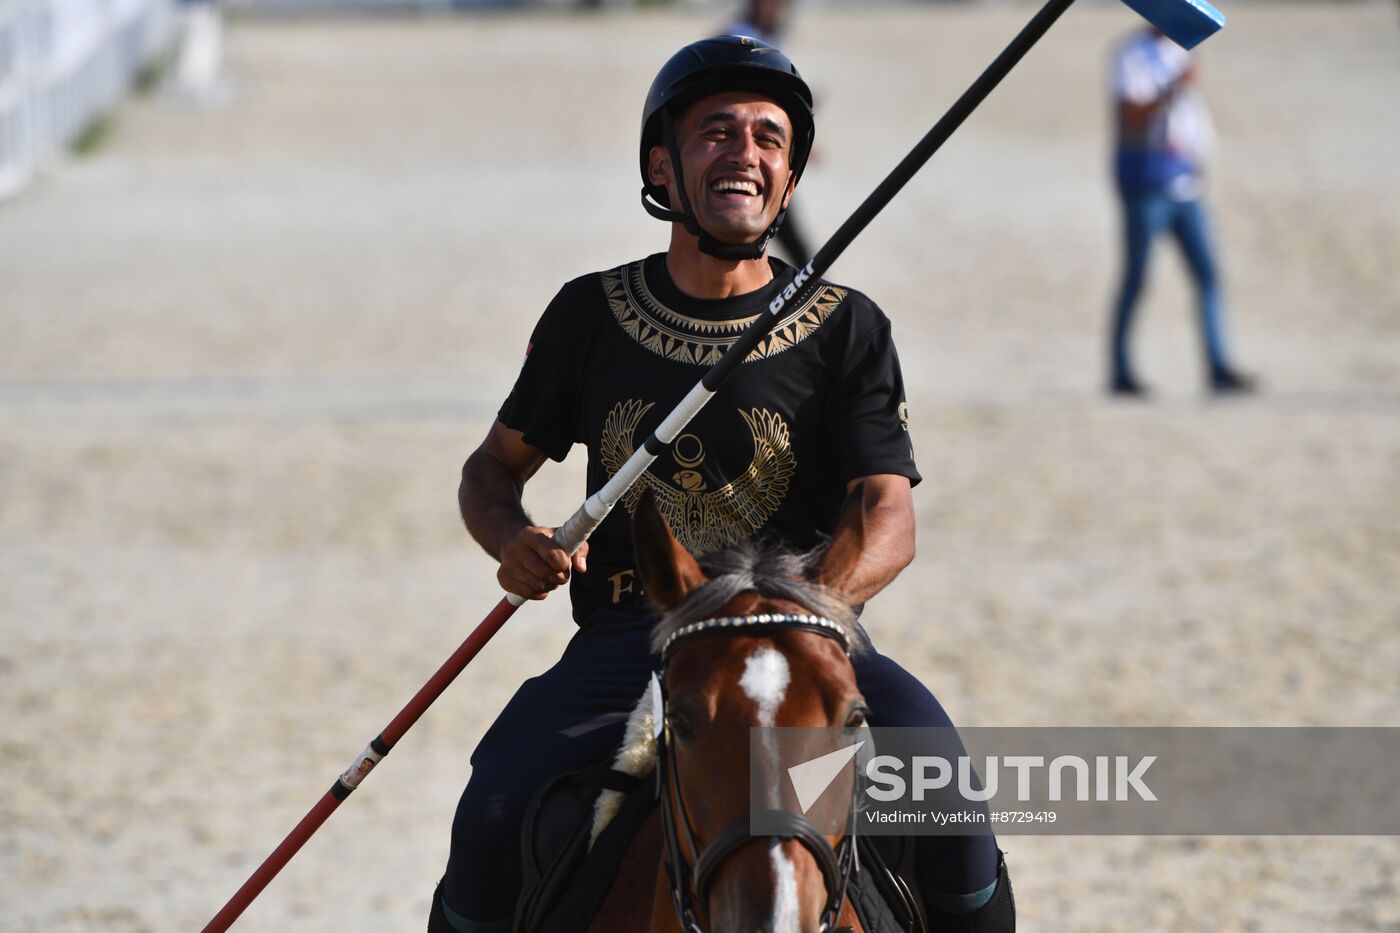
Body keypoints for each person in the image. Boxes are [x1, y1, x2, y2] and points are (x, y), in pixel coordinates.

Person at [432, 36, 1013, 932]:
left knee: (956, 804)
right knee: (493, 811)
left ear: (790, 176)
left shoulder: (845, 324)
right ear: (662, 164)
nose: (745, 152)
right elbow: (491, 470)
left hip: (808, 642)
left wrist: (813, 607)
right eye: (716, 132)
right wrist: (512, 540)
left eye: (769, 138)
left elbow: (887, 511)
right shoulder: (590, 312)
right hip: (632, 640)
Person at [1108, 26, 1254, 396]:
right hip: (1145, 184)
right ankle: (1120, 369)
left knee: (1207, 275)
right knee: (1137, 277)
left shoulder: (1181, 49)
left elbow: (1191, 119)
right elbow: (1131, 118)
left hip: (1186, 182)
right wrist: (1174, 86)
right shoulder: (1130, 54)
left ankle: (1218, 367)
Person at [721, 0, 815, 266]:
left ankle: (810, 280)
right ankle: (811, 281)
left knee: (783, 229)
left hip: (769, 149)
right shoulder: (743, 37)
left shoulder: (768, 38)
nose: (778, 9)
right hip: (749, 150)